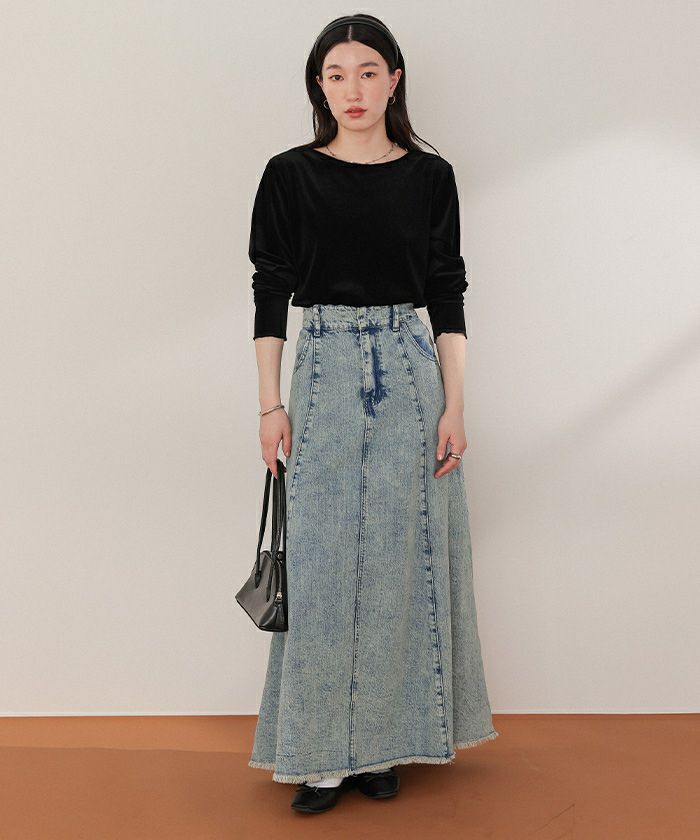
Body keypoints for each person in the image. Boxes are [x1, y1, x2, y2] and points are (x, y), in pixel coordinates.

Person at [247, 14, 498, 814]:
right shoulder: (289, 175)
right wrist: (269, 404)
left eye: (366, 72)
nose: (351, 89)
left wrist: (456, 404)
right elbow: (270, 289)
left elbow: (447, 292)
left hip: (409, 369)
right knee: (322, 569)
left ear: (394, 79)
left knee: (401, 560)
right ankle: (322, 756)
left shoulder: (430, 177)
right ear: (318, 86)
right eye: (334, 74)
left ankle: (384, 745)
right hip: (320, 369)